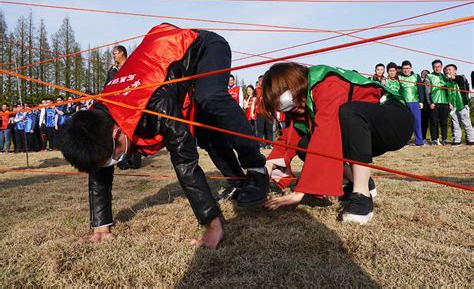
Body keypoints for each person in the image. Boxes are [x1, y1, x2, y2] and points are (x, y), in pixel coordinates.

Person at [58, 23, 268, 249]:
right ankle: (237, 181)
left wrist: (212, 224)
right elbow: (98, 161)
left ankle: (256, 169)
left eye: (113, 156)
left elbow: (184, 160)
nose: (114, 163)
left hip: (204, 47)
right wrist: (101, 227)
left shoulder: (157, 105)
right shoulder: (100, 116)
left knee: (210, 98)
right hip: (174, 73)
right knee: (205, 131)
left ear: (117, 132)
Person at [260, 63, 412, 224]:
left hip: (394, 121)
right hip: (360, 133)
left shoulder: (326, 84)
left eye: (291, 104)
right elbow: (291, 136)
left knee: (348, 113)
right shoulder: (301, 101)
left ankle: (362, 195)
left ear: (296, 84)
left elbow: (324, 135)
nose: (293, 110)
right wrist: (269, 164)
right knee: (304, 145)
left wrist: (299, 192)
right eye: (286, 109)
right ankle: (361, 180)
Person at [445, 64, 473, 146]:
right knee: (456, 123)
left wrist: (451, 76)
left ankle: (471, 139)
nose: (448, 71)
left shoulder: (460, 78)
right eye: (447, 70)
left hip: (462, 104)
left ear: (455, 71)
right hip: (453, 106)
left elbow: (457, 79)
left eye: (450, 69)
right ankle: (457, 140)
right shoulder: (447, 82)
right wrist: (450, 103)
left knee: (466, 122)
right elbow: (448, 94)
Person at [398, 61, 425, 146]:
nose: (406, 70)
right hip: (404, 103)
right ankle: (405, 141)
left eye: (408, 68)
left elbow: (420, 89)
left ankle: (419, 141)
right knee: (405, 122)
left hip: (415, 102)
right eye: (404, 69)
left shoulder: (416, 76)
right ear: (402, 69)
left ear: (411, 68)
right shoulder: (399, 77)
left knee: (417, 121)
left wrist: (421, 101)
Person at [425, 60, 450, 145]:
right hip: (434, 102)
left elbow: (449, 91)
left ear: (441, 67)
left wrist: (450, 102)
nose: (437, 68)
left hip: (445, 102)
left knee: (444, 122)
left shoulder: (445, 77)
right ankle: (434, 140)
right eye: (435, 67)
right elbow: (427, 91)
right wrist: (430, 102)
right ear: (432, 67)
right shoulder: (429, 76)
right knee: (433, 122)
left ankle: (445, 139)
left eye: (439, 66)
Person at [256, 75, 274, 148]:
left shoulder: (269, 90)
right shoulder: (256, 90)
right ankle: (260, 143)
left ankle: (269, 143)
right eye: (260, 80)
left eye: (262, 80)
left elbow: (272, 101)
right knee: (260, 129)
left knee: (269, 128)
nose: (261, 82)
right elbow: (254, 100)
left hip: (269, 112)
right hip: (259, 112)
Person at [419, 70, 431, 145]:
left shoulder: (429, 82)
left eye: (426, 74)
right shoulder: (419, 82)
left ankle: (423, 137)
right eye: (423, 73)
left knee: (425, 123)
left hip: (428, 105)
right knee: (420, 123)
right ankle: (421, 138)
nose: (425, 75)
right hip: (420, 105)